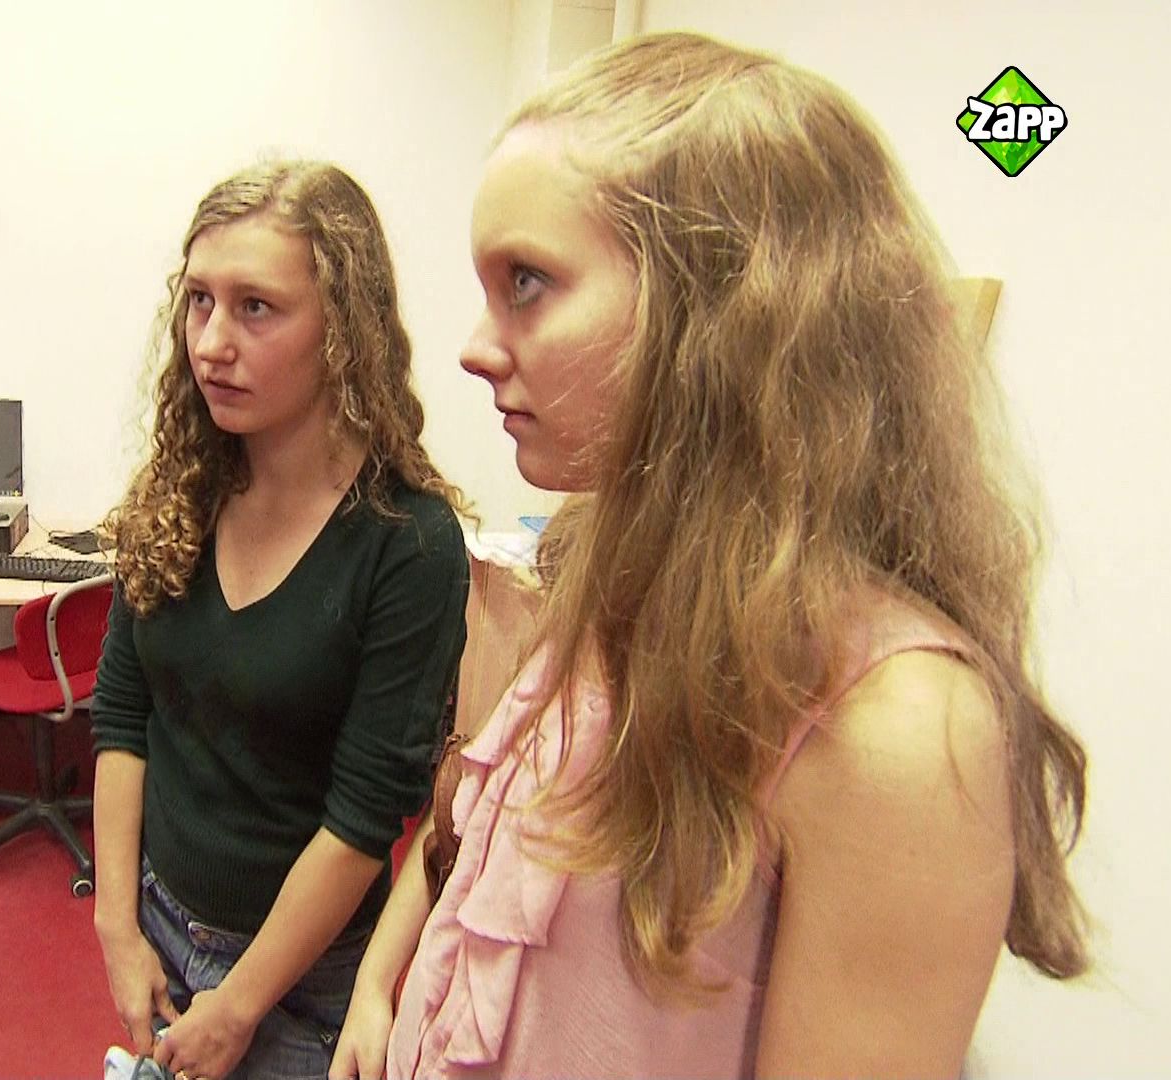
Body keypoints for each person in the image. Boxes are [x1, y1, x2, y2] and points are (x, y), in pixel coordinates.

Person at [331, 33, 1090, 1080]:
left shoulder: (897, 728)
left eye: (528, 282)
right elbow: (473, 845)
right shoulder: (614, 576)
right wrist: (381, 990)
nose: (474, 345)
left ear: (719, 306)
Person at [91, 160, 471, 1080]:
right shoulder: (181, 488)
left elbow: (364, 816)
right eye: (199, 303)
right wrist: (115, 925)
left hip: (302, 977)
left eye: (256, 307)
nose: (212, 343)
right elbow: (123, 714)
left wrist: (238, 1007)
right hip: (158, 921)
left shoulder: (407, 544)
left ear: (343, 330)